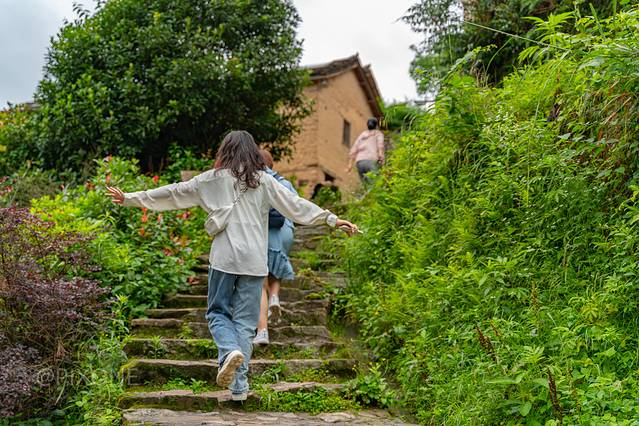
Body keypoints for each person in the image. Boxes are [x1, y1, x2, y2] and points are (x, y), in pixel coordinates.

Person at [106, 130, 358, 402]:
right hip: (255, 262)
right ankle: (239, 387)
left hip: (225, 259)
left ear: (224, 151)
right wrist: (332, 220)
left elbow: (173, 193)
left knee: (217, 313)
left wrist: (130, 197)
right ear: (252, 152)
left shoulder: (211, 179)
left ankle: (228, 350)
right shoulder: (264, 181)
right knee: (246, 325)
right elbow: (295, 206)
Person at [253, 149, 296, 346]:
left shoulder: (254, 181)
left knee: (261, 282)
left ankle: (262, 331)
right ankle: (275, 297)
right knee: (277, 266)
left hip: (264, 232)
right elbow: (297, 207)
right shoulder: (284, 182)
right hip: (284, 232)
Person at [347, 117, 385, 184]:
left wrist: (350, 165)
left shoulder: (362, 135)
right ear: (376, 125)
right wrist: (381, 159)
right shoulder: (378, 134)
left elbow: (354, 149)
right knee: (375, 183)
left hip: (360, 162)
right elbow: (380, 146)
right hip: (371, 160)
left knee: (365, 185)